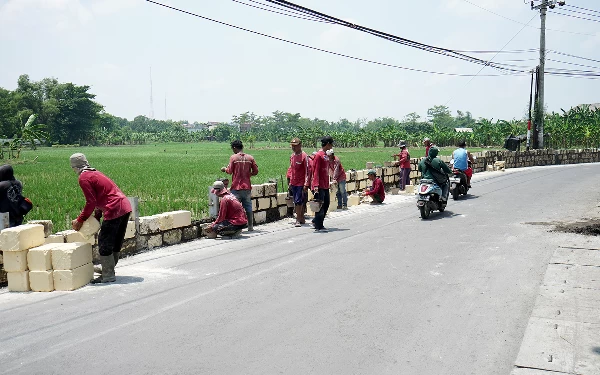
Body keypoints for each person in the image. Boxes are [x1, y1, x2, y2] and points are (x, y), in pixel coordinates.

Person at [70, 153, 132, 284]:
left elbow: (91, 202)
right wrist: (97, 217)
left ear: (74, 167)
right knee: (115, 241)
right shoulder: (95, 173)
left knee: (104, 241)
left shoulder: (84, 178)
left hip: (114, 209)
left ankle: (108, 274)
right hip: (124, 206)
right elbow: (100, 197)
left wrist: (80, 220)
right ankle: (108, 269)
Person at [221, 140, 258, 231]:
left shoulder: (234, 158)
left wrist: (224, 169)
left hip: (236, 187)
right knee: (248, 206)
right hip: (247, 187)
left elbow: (229, 171)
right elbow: (256, 171)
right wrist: (249, 174)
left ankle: (237, 227)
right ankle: (250, 226)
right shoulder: (250, 158)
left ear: (234, 148)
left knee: (235, 208)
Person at [311, 136, 334, 232]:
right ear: (328, 144)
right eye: (331, 144)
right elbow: (315, 171)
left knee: (326, 203)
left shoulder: (326, 156)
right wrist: (315, 185)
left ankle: (316, 221)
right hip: (319, 185)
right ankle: (319, 225)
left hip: (325, 184)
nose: (332, 146)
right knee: (320, 205)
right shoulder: (319, 155)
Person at [286, 138, 310, 227]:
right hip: (294, 182)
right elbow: (292, 170)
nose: (293, 147)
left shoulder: (304, 156)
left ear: (300, 145)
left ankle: (298, 219)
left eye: (295, 146)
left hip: (301, 182)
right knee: (296, 201)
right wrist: (290, 182)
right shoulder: (292, 156)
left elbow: (308, 171)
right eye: (292, 146)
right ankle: (301, 217)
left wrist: (306, 184)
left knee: (298, 201)